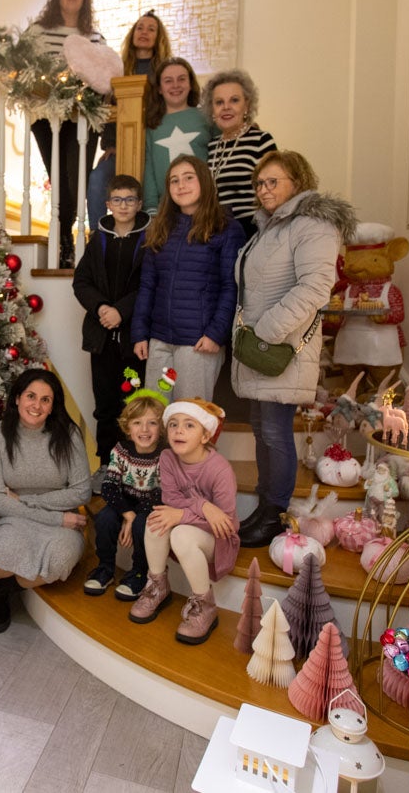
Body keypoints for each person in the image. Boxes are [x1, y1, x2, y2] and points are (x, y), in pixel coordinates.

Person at [232, 149, 357, 547]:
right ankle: (266, 509)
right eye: (260, 183)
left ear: (297, 183)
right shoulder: (271, 227)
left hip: (279, 347)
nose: (264, 189)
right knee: (261, 429)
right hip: (261, 349)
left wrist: (266, 330)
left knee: (274, 431)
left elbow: (315, 288)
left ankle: (275, 514)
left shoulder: (313, 225)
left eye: (273, 182)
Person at [0, 368, 92, 634]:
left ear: (53, 406)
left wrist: (25, 500)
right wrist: (55, 516)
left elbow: (81, 492)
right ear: (17, 398)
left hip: (61, 526)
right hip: (16, 518)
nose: (37, 405)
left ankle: (0, 593)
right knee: (5, 553)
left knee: (61, 559)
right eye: (31, 396)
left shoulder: (70, 435)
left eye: (46, 399)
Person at [131, 155, 245, 402]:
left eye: (188, 178)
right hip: (159, 341)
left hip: (198, 344)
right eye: (174, 180)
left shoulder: (226, 228)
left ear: (204, 181)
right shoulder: (160, 228)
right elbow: (148, 285)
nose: (181, 185)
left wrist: (217, 333)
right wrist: (140, 332)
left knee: (190, 421)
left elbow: (231, 287)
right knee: (156, 419)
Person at [126, 398, 238, 645]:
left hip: (217, 538)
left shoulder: (219, 469)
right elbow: (172, 498)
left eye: (189, 425)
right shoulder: (167, 458)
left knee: (180, 534)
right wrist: (203, 506)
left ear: (205, 436)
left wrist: (184, 514)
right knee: (155, 520)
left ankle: (204, 605)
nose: (179, 430)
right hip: (191, 524)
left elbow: (226, 523)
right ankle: (157, 586)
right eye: (174, 424)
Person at [25, 0, 106, 268]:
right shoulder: (37, 32)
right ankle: (62, 243)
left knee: (77, 179)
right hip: (47, 118)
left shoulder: (94, 37)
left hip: (82, 119)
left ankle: (64, 241)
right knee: (58, 177)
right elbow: (22, 70)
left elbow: (103, 77)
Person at [72, 173, 149, 463]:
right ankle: (106, 463)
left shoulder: (149, 240)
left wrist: (121, 311)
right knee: (104, 405)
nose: (124, 206)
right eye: (118, 200)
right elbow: (81, 282)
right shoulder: (97, 240)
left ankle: (134, 464)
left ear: (139, 203)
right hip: (101, 340)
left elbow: (149, 285)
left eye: (130, 200)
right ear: (108, 204)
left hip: (133, 340)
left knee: (133, 404)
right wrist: (102, 308)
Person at [87, 11, 172, 228]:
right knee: (97, 179)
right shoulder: (118, 69)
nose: (144, 32)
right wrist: (110, 144)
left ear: (158, 37)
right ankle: (99, 237)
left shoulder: (164, 71)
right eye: (140, 28)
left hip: (153, 145)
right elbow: (109, 108)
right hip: (122, 145)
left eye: (151, 29)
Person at [83, 389, 165, 600]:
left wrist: (135, 518)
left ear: (161, 427)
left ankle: (139, 572)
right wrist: (127, 514)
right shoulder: (121, 449)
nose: (144, 429)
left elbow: (161, 494)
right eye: (137, 423)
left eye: (152, 423)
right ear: (128, 427)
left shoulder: (165, 455)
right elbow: (109, 487)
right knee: (104, 518)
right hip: (125, 500)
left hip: (152, 505)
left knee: (142, 525)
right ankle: (105, 568)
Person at [202, 69, 277, 237]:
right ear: (212, 109)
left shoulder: (261, 140)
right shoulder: (213, 146)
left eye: (234, 100)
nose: (226, 107)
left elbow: (275, 192)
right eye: (219, 102)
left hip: (252, 231)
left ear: (247, 105)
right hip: (217, 231)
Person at [142, 57, 213, 214]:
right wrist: (151, 207)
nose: (175, 85)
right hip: (166, 209)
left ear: (190, 84)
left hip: (204, 206)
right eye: (168, 81)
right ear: (159, 88)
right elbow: (149, 169)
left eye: (181, 79)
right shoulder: (151, 125)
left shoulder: (206, 117)